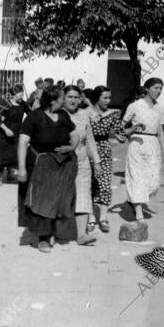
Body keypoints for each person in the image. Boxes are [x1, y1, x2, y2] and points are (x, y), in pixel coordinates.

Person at [17, 86, 79, 253]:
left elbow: (75, 134)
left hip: (61, 165)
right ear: (53, 101)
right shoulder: (34, 117)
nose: (65, 101)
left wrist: (71, 147)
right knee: (41, 201)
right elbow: (23, 142)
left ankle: (52, 231)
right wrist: (22, 169)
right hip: (40, 165)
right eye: (62, 98)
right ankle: (43, 238)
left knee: (58, 200)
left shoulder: (63, 116)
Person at [122, 78, 164, 222]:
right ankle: (138, 211)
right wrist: (133, 129)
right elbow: (122, 128)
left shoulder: (160, 108)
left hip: (153, 143)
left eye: (160, 88)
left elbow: (160, 131)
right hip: (137, 142)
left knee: (154, 181)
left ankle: (134, 199)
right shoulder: (135, 106)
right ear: (146, 88)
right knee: (137, 177)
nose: (158, 91)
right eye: (156, 88)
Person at [63, 86, 101, 245]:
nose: (73, 100)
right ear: (63, 98)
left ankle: (81, 235)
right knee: (61, 196)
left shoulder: (84, 115)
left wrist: (97, 161)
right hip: (62, 161)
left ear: (80, 99)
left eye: (76, 97)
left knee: (84, 194)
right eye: (69, 96)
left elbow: (90, 139)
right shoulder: (58, 115)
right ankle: (54, 232)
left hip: (83, 160)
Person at [87, 86, 126, 233]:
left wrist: (120, 136)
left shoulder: (113, 114)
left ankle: (103, 217)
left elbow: (120, 132)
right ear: (97, 98)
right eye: (105, 98)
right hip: (88, 150)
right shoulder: (86, 113)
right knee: (89, 184)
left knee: (104, 184)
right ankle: (90, 217)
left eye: (109, 98)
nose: (108, 101)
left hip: (104, 149)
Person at [0, 84, 29, 185]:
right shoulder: (6, 103)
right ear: (13, 95)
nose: (21, 97)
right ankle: (0, 176)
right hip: (4, 133)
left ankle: (10, 175)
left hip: (17, 133)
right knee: (2, 155)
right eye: (19, 95)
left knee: (14, 155)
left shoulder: (23, 104)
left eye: (22, 95)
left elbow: (31, 114)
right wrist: (6, 130)